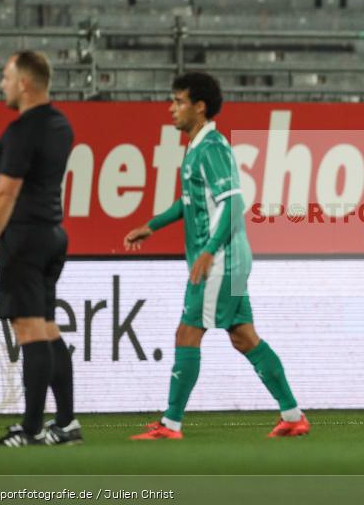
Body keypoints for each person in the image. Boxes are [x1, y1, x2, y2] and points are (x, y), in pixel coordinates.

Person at [124, 72, 308, 439]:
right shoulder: (197, 147)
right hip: (229, 257)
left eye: (178, 101)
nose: (171, 108)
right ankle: (292, 416)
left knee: (187, 332)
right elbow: (190, 201)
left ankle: (171, 423)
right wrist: (153, 224)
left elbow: (233, 203)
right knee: (243, 336)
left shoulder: (211, 148)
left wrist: (208, 252)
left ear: (199, 107)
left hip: (221, 258)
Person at [0, 51, 80, 447]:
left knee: (30, 331)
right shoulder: (60, 125)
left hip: (24, 237)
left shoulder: (22, 131)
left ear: (24, 83)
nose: (1, 83)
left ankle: (32, 429)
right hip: (54, 234)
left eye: (5, 76)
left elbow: (6, 191)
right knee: (48, 328)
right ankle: (66, 423)